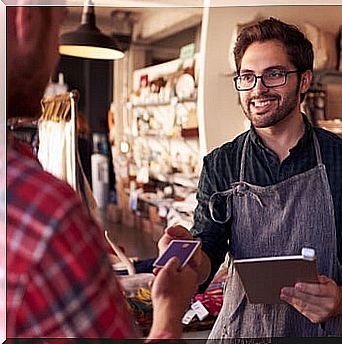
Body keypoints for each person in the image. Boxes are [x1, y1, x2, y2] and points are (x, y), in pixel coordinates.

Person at [158, 17, 342, 339]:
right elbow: (208, 257)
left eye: (274, 74)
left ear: (305, 80)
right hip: (240, 333)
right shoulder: (221, 164)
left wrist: (340, 299)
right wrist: (188, 256)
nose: (258, 89)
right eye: (247, 76)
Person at [6, 5, 198, 339]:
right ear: (26, 19)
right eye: (58, 28)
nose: (55, 53)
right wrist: (169, 308)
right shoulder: (43, 212)